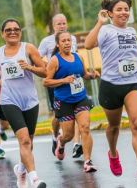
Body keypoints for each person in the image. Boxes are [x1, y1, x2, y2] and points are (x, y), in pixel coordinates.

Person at [85, 0, 137, 182]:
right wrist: (99, 23)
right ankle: (113, 153)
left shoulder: (132, 31)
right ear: (110, 13)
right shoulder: (106, 30)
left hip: (133, 82)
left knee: (136, 123)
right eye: (119, 9)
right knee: (114, 126)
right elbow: (88, 45)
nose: (124, 12)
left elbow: (131, 53)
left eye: (126, 9)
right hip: (111, 85)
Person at [0, 18, 47, 188]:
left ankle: (21, 170)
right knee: (24, 140)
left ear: (20, 32)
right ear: (2, 34)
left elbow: (44, 71)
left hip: (30, 101)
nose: (12, 32)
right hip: (9, 100)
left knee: (29, 141)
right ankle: (35, 179)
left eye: (16, 29)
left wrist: (29, 67)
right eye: (8, 30)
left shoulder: (28, 48)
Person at [43, 31, 99, 172]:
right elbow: (46, 81)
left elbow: (84, 74)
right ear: (58, 44)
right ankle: (60, 144)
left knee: (85, 127)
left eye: (69, 40)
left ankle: (88, 161)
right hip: (64, 101)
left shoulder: (78, 57)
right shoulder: (55, 60)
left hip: (80, 98)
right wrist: (63, 80)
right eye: (64, 41)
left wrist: (92, 76)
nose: (67, 43)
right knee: (68, 135)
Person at [38, 13, 83, 159]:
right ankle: (55, 134)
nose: (62, 26)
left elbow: (75, 55)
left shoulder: (73, 38)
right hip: (57, 82)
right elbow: (36, 58)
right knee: (57, 116)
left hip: (74, 81)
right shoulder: (46, 41)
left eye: (64, 23)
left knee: (77, 112)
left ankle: (77, 144)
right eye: (59, 24)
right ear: (53, 26)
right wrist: (47, 66)